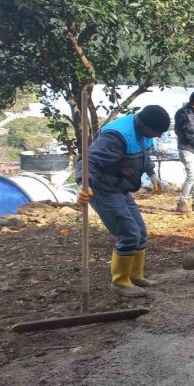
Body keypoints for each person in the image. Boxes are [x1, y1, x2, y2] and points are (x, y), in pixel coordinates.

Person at [76, 105, 169, 297]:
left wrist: (152, 173)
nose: (158, 136)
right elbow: (88, 161)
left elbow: (143, 154)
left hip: (121, 188)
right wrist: (82, 183)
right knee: (128, 233)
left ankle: (136, 276)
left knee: (140, 233)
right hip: (103, 189)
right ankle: (120, 282)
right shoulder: (116, 136)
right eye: (156, 133)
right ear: (145, 125)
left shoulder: (143, 132)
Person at [173, 91, 194, 213]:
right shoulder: (182, 113)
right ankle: (181, 202)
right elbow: (180, 131)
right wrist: (192, 141)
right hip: (187, 148)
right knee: (192, 175)